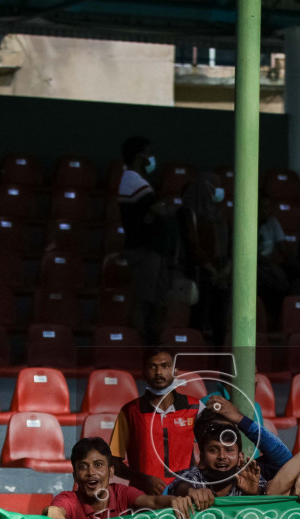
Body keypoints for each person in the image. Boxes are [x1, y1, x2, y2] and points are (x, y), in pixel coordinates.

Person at [109, 346, 199, 495]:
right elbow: (113, 462)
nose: (159, 373)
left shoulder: (194, 407)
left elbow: (211, 451)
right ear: (144, 371)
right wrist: (143, 480)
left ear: (176, 371)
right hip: (144, 499)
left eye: (165, 366)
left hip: (184, 496)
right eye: (152, 367)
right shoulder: (130, 411)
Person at [46, 438, 200, 519]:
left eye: (98, 465)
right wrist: (53, 512)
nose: (91, 472)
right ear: (75, 477)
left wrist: (175, 500)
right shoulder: (69, 499)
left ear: (111, 471)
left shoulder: (122, 493)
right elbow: (56, 510)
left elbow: (154, 502)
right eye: (83, 467)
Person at [168, 395, 291, 497]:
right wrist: (191, 492)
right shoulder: (193, 477)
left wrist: (240, 419)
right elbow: (182, 485)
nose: (222, 456)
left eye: (228, 434)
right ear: (202, 455)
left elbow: (286, 461)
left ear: (239, 456)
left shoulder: (250, 474)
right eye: (214, 449)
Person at [118, 136, 174, 341]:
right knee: (144, 300)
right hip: (144, 251)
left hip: (153, 250)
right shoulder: (132, 179)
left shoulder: (138, 180)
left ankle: (151, 342)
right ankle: (137, 346)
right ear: (140, 156)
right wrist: (160, 211)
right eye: (148, 153)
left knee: (156, 301)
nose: (151, 157)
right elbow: (160, 211)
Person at [178, 173, 231, 345]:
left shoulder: (223, 214)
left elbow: (232, 243)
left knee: (220, 322)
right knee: (198, 319)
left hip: (222, 274)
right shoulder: (191, 213)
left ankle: (219, 364)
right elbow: (193, 243)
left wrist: (226, 269)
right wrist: (211, 269)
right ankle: (193, 362)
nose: (220, 190)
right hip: (201, 273)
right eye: (215, 187)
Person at [256, 193, 290, 322]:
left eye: (269, 207)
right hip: (253, 265)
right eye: (263, 207)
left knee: (291, 272)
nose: (267, 211)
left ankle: (289, 319)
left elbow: (284, 249)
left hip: (268, 264)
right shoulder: (246, 224)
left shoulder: (272, 222)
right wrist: (272, 266)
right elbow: (250, 256)